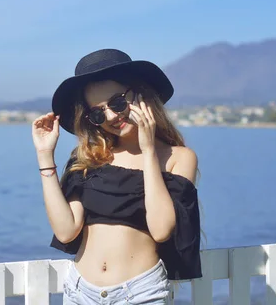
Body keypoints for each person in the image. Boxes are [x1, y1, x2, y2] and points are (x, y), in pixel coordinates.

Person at [32, 49, 202, 304]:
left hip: (141, 294)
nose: (112, 116)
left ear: (141, 94)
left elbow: (161, 229)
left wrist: (148, 151)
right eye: (98, 113)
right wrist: (45, 155)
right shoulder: (88, 157)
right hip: (80, 293)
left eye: (117, 102)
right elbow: (66, 231)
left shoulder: (179, 157)